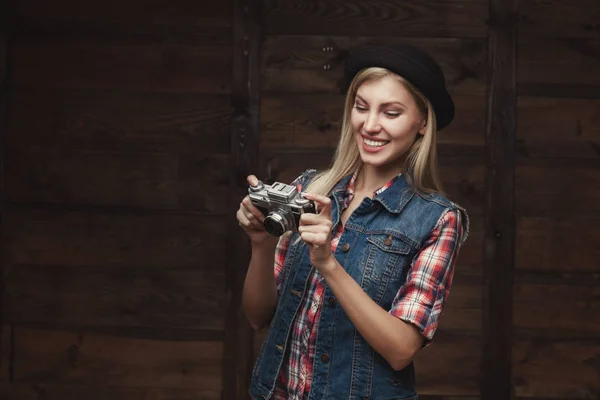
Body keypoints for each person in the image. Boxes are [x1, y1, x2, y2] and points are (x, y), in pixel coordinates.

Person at [236, 43, 469, 400]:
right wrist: (260, 243)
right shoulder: (309, 188)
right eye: (361, 107)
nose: (370, 125)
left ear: (422, 123)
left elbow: (401, 349)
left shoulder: (437, 219)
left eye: (390, 113)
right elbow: (257, 317)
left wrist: (328, 262)